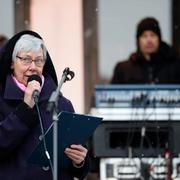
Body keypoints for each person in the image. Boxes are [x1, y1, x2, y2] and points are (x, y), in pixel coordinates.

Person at [0, 30, 89, 180]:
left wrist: (79, 162)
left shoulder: (62, 104)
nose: (33, 67)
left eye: (39, 60)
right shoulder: (1, 100)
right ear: (11, 63)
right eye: (26, 60)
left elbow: (79, 168)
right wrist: (25, 108)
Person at [111, 17, 180, 84]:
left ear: (159, 39)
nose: (149, 40)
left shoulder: (174, 67)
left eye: (153, 35)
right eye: (144, 36)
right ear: (138, 40)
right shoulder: (124, 70)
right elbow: (113, 94)